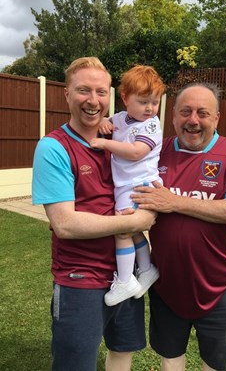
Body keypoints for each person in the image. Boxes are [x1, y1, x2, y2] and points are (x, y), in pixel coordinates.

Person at [32, 57, 156, 371]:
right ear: (67, 94)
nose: (93, 100)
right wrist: (135, 222)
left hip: (125, 277)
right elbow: (66, 225)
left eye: (101, 92)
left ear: (112, 96)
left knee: (122, 353)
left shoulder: (118, 137)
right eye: (83, 90)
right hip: (80, 278)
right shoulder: (53, 148)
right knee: (76, 364)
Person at [131, 82, 226, 371]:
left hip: (217, 283)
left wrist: (173, 201)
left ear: (217, 118)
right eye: (185, 112)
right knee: (170, 355)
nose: (193, 120)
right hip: (165, 280)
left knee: (214, 362)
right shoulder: (156, 151)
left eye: (203, 113)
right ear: (173, 116)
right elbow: (121, 148)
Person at [90, 65, 165, 306]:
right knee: (132, 231)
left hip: (138, 184)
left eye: (155, 102)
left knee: (121, 230)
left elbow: (135, 152)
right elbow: (109, 123)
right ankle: (146, 268)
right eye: (143, 102)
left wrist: (104, 144)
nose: (150, 108)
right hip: (125, 185)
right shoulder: (121, 119)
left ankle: (125, 279)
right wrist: (102, 120)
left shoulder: (151, 125)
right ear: (125, 99)